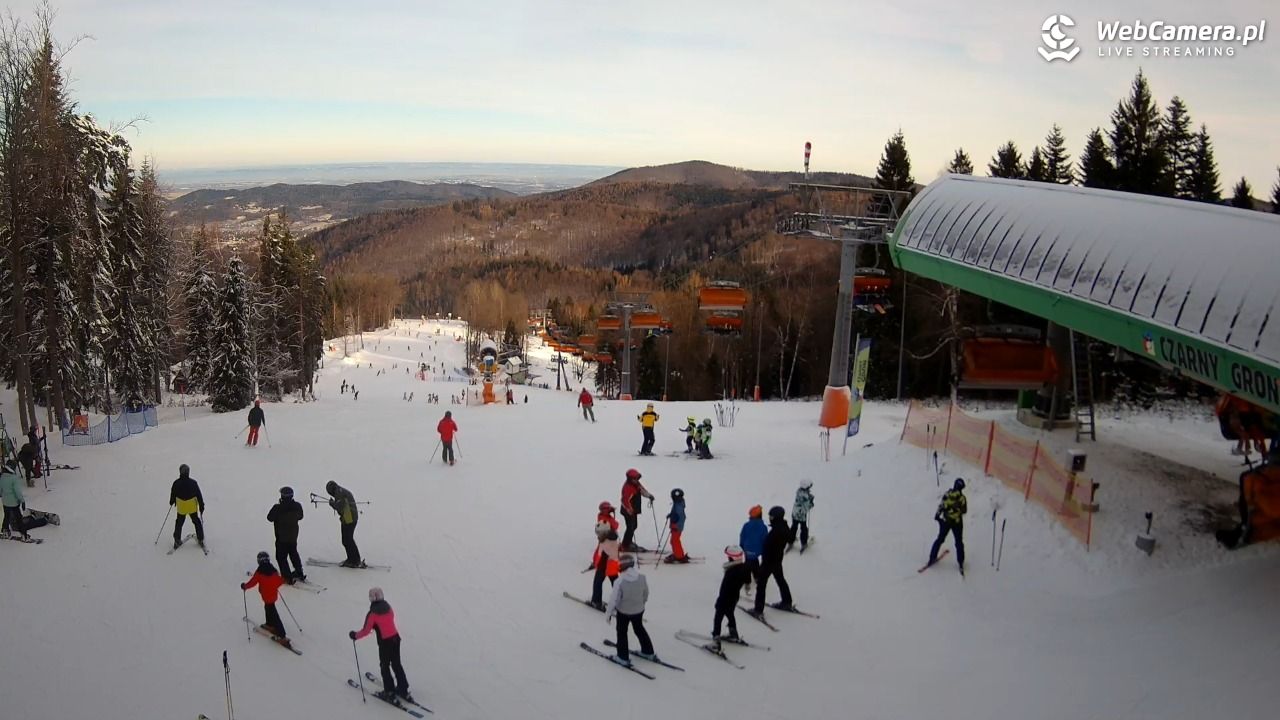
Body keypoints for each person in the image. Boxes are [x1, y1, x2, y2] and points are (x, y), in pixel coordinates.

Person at [350, 587, 413, 705]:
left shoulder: (372, 613)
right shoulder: (388, 607)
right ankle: (403, 689)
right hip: (396, 639)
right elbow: (390, 619)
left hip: (385, 642)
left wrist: (355, 636)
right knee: (396, 664)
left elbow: (366, 630)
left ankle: (389, 692)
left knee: (384, 665)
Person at [605, 554, 657, 667]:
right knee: (639, 629)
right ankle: (648, 651)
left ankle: (622, 657)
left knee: (622, 632)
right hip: (638, 611)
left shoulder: (619, 581)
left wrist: (608, 613)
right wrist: (641, 604)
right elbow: (646, 593)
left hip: (623, 612)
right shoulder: (642, 577)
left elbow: (614, 599)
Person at [752, 506, 794, 614]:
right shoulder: (784, 527)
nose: (770, 518)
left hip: (768, 562)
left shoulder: (775, 532)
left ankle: (758, 609)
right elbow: (791, 538)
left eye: (771, 516)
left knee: (761, 585)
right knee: (780, 580)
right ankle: (787, 601)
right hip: (777, 560)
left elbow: (767, 546)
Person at [242, 551, 288, 642]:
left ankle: (282, 634)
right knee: (268, 608)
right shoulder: (273, 570)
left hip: (266, 596)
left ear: (259, 561)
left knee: (273, 613)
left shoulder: (259, 572)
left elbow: (253, 582)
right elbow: (280, 581)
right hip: (273, 596)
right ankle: (269, 624)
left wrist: (245, 586)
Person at [712, 545, 752, 645]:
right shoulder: (745, 567)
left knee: (718, 616)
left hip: (725, 598)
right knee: (730, 613)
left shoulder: (731, 572)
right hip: (734, 597)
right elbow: (747, 580)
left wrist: (719, 601)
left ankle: (716, 637)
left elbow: (724, 588)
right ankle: (733, 633)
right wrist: (747, 587)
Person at [928, 478, 968, 574]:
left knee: (940, 539)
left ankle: (932, 558)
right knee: (958, 542)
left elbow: (941, 506)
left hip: (946, 521)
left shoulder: (947, 494)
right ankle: (960, 562)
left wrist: (938, 515)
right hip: (957, 522)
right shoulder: (962, 498)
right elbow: (964, 510)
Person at [268, 486, 305, 583]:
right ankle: (299, 572)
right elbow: (301, 516)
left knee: (281, 557)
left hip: (281, 538)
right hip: (293, 536)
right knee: (293, 553)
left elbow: (269, 517)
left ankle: (287, 577)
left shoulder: (278, 508)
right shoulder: (297, 506)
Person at [325, 480, 363, 567]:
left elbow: (340, 508)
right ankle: (353, 559)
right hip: (350, 518)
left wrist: (332, 504)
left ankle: (354, 560)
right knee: (348, 540)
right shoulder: (340, 491)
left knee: (347, 540)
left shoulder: (339, 494)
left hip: (349, 519)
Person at [170, 464, 205, 550]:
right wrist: (201, 506)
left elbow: (173, 495)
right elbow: (199, 496)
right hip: (192, 507)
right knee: (196, 521)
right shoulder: (193, 483)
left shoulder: (176, 483)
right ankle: (200, 539)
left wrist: (172, 501)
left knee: (179, 522)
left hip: (182, 508)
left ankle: (177, 540)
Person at [619, 468, 654, 551]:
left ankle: (628, 542)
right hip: (627, 511)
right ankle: (626, 545)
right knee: (630, 527)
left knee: (634, 526)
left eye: (637, 478)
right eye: (634, 478)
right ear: (630, 478)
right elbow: (624, 500)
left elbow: (641, 490)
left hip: (633, 510)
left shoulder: (635, 484)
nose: (636, 480)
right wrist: (629, 510)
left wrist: (649, 495)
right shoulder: (628, 487)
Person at [590, 521, 620, 610]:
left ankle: (596, 601)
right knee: (616, 584)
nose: (598, 536)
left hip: (605, 566)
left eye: (599, 533)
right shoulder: (612, 538)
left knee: (597, 582)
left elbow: (600, 555)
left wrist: (595, 564)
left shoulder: (605, 542)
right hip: (614, 565)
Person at [739, 505, 767, 591]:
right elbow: (765, 539)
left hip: (747, 549)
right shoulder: (763, 527)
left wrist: (742, 546)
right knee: (755, 562)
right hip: (757, 551)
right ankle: (757, 576)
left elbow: (742, 536)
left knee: (747, 565)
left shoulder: (746, 525)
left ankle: (747, 581)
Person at [1, 459, 28, 540]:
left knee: (7, 516)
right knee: (18, 518)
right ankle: (24, 534)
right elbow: (17, 492)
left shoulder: (2, 477)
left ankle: (5, 531)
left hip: (5, 502)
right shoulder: (13, 478)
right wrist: (22, 501)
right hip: (14, 503)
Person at [664, 488, 689, 563]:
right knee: (674, 541)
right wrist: (671, 515)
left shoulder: (678, 506)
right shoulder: (678, 503)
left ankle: (679, 556)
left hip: (677, 526)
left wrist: (675, 526)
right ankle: (678, 553)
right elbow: (675, 513)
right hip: (676, 525)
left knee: (675, 541)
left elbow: (680, 516)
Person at [789, 480, 815, 551]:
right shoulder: (805, 497)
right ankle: (804, 543)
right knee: (804, 528)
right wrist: (811, 503)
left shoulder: (798, 492)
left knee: (794, 527)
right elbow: (806, 507)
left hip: (794, 514)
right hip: (801, 515)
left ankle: (790, 541)